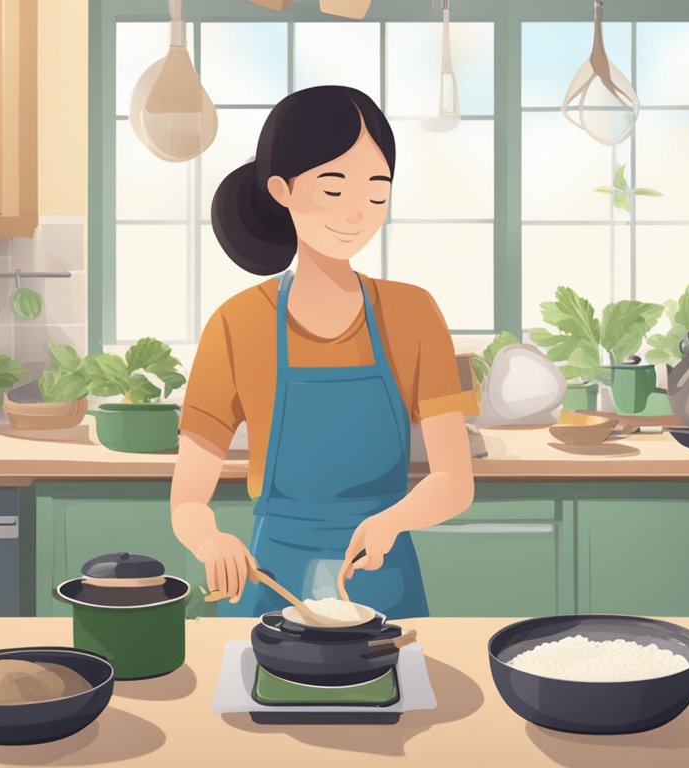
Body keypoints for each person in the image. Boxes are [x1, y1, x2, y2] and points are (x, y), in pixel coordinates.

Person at [170, 85, 477, 619]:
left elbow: (455, 480)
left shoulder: (413, 314)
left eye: (377, 192)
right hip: (268, 584)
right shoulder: (237, 323)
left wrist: (392, 521)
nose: (357, 214)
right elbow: (188, 499)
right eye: (334, 191)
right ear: (281, 190)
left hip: (384, 579)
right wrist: (211, 543)